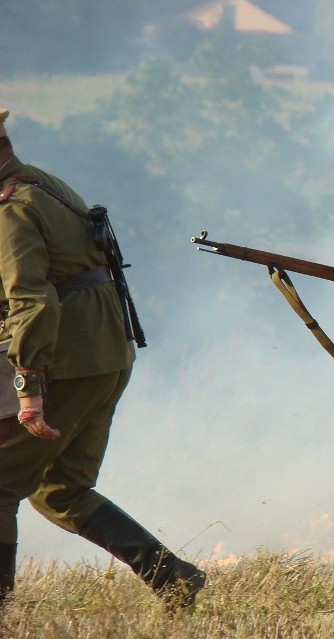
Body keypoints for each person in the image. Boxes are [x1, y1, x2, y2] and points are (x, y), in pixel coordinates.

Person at [0, 108, 205, 609]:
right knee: (60, 489)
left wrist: (28, 388)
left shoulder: (9, 208)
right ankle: (172, 578)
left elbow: (32, 301)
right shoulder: (42, 184)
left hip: (67, 360)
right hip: (105, 353)